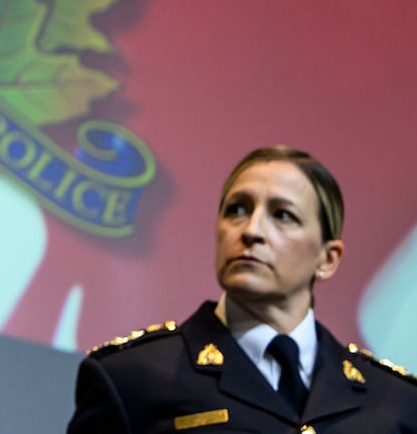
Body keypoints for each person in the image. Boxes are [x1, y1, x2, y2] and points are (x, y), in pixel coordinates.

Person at [66, 145, 417, 432]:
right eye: (236, 210)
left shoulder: (397, 401)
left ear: (328, 258)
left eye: (282, 215)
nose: (250, 231)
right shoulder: (131, 378)